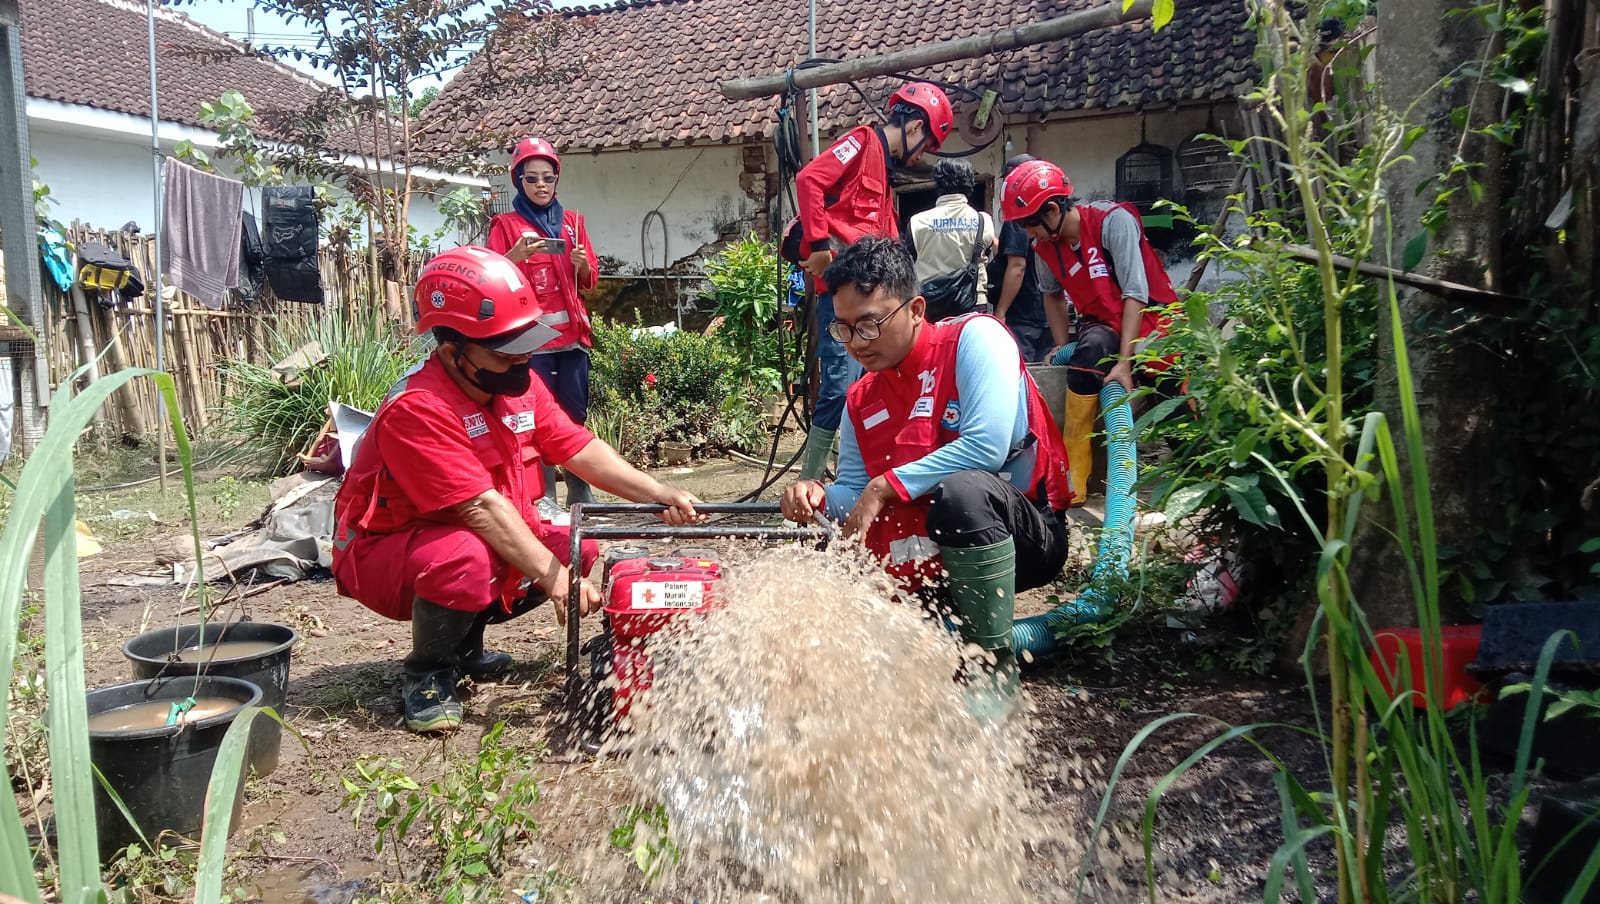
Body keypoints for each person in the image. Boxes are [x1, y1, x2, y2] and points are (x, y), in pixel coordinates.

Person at [332, 246, 702, 733]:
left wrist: (656, 492)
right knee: (468, 559)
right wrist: (556, 580)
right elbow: (479, 508)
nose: (524, 357)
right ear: (453, 353)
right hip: (386, 549)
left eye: (526, 343)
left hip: (463, 533)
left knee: (576, 544)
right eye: (506, 350)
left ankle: (466, 649)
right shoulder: (419, 407)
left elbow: (577, 448)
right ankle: (429, 672)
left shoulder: (516, 385)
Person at [779, 237, 1072, 718]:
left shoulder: (975, 340)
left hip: (1023, 537)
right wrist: (817, 495)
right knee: (829, 565)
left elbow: (986, 446)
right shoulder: (861, 399)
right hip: (931, 555)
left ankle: (992, 667)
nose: (856, 343)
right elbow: (855, 491)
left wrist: (884, 486)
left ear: (915, 310)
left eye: (869, 324)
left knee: (963, 493)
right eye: (843, 329)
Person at [792, 81, 955, 482]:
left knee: (870, 386)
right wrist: (818, 245)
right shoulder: (863, 142)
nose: (922, 155)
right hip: (841, 300)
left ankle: (867, 474)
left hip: (873, 306)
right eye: (927, 145)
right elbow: (810, 179)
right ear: (915, 127)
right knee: (836, 389)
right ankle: (808, 483)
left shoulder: (884, 174)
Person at [1000, 158, 1179, 505]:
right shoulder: (1043, 248)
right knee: (1084, 361)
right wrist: (1061, 345)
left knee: (1177, 412)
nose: (1028, 234)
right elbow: (1052, 295)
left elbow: (1135, 292)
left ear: (1053, 210)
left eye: (1029, 224)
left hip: (1154, 324)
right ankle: (1073, 482)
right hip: (1102, 324)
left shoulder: (1112, 222)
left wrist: (1125, 363)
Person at [487, 137, 600, 517]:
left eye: (548, 178)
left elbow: (589, 282)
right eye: (532, 178)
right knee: (532, 418)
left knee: (574, 415)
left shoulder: (573, 224)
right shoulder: (506, 226)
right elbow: (491, 279)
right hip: (530, 344)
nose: (541, 185)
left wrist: (582, 265)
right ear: (518, 181)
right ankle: (543, 496)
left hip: (572, 342)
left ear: (556, 180)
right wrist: (514, 256)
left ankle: (580, 493)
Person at [908, 158, 997, 318]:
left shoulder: (917, 222)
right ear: (970, 183)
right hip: (973, 301)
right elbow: (988, 252)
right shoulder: (983, 220)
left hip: (931, 304)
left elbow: (909, 262)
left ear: (938, 183)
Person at [989, 154, 1053, 363]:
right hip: (1048, 312)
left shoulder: (1018, 215)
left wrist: (1000, 312)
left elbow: (1017, 266)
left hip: (1024, 318)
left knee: (1021, 374)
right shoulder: (1048, 214)